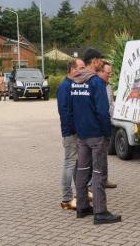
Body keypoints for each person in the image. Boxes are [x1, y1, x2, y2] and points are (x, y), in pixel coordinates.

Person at [70, 48, 121, 224]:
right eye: (100, 60)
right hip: (96, 135)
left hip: (82, 134)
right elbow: (102, 111)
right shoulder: (96, 83)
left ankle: (82, 207)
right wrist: (107, 132)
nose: (101, 63)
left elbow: (73, 108)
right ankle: (100, 212)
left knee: (83, 171)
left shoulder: (75, 81)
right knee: (99, 172)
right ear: (94, 61)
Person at [57, 58, 85, 210]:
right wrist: (73, 130)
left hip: (77, 131)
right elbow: (64, 112)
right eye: (81, 68)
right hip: (70, 133)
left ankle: (79, 194)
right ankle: (66, 198)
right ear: (72, 70)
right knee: (69, 163)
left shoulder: (74, 85)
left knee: (76, 164)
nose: (83, 70)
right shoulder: (65, 87)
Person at [97, 61, 117, 189]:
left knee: (104, 154)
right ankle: (95, 181)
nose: (109, 75)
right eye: (107, 73)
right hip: (98, 126)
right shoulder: (95, 86)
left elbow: (110, 104)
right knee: (97, 155)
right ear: (100, 72)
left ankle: (104, 179)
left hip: (108, 123)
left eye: (111, 73)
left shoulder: (108, 86)